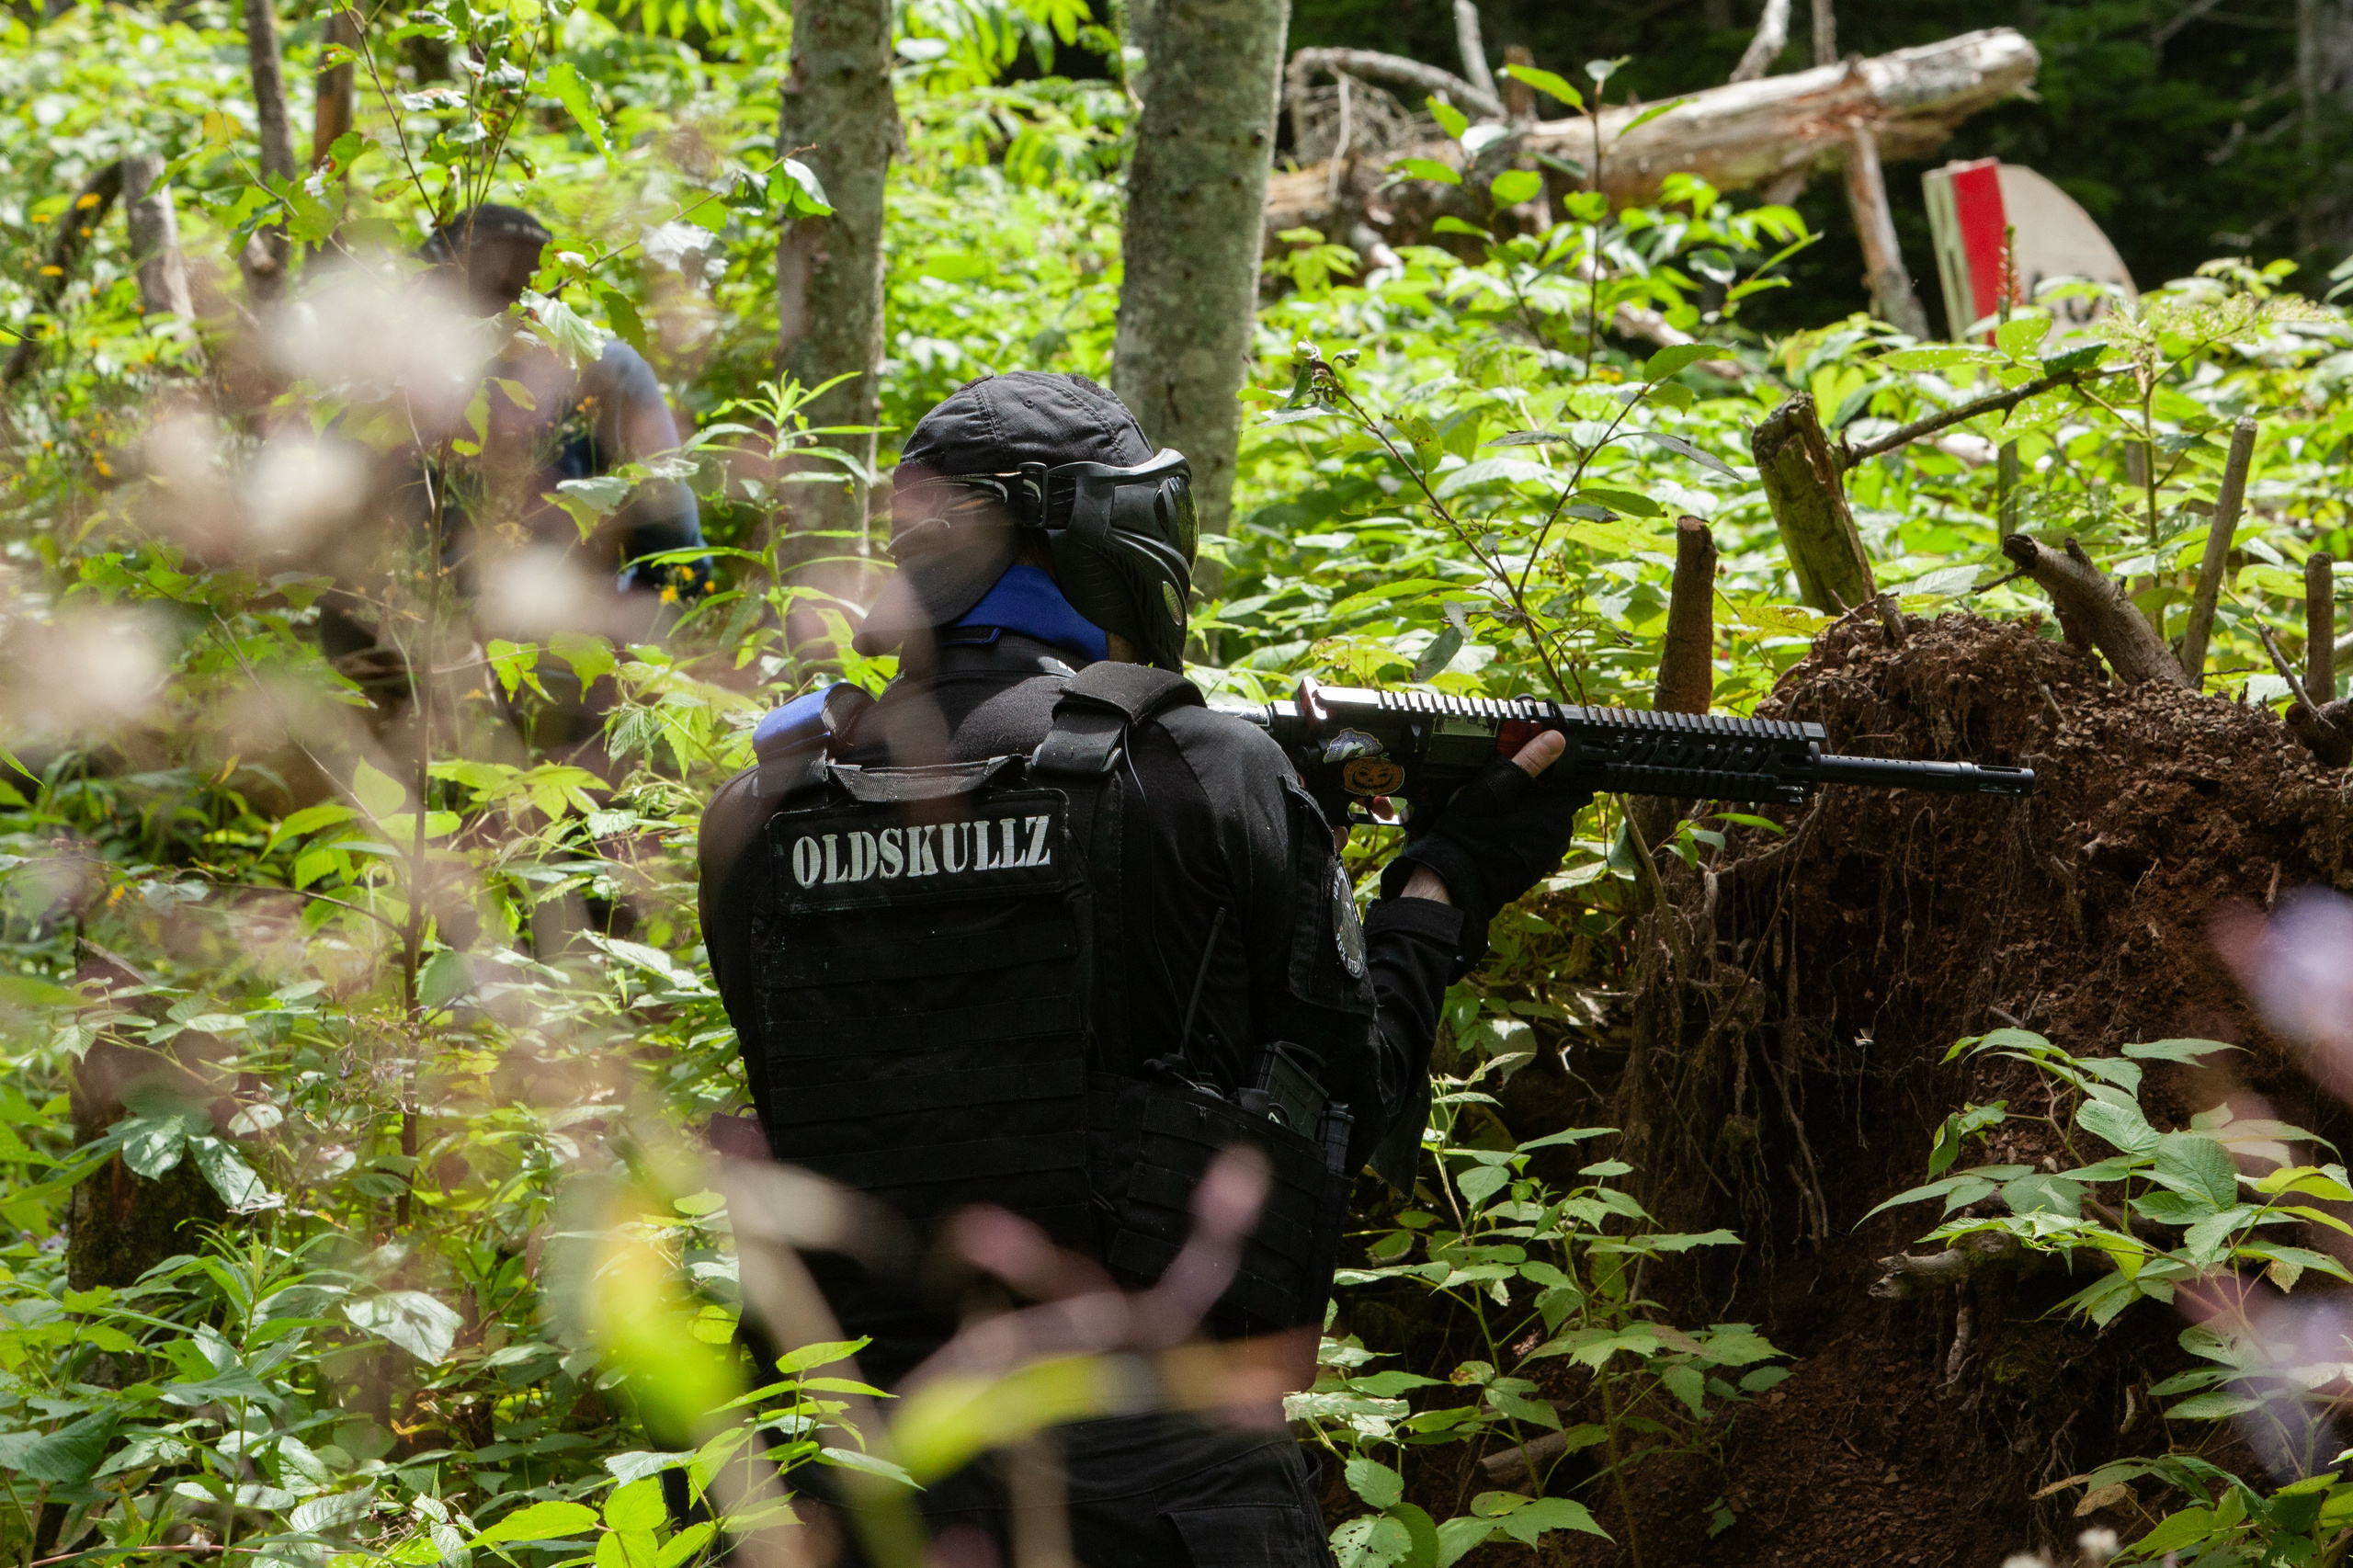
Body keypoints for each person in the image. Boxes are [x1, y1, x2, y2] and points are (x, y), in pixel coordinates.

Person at [696, 371, 1584, 1568]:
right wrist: (1443, 880)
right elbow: (1360, 1098)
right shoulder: (1207, 771)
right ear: (1104, 535)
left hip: (852, 1500)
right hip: (1165, 1496)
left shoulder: (759, 808)